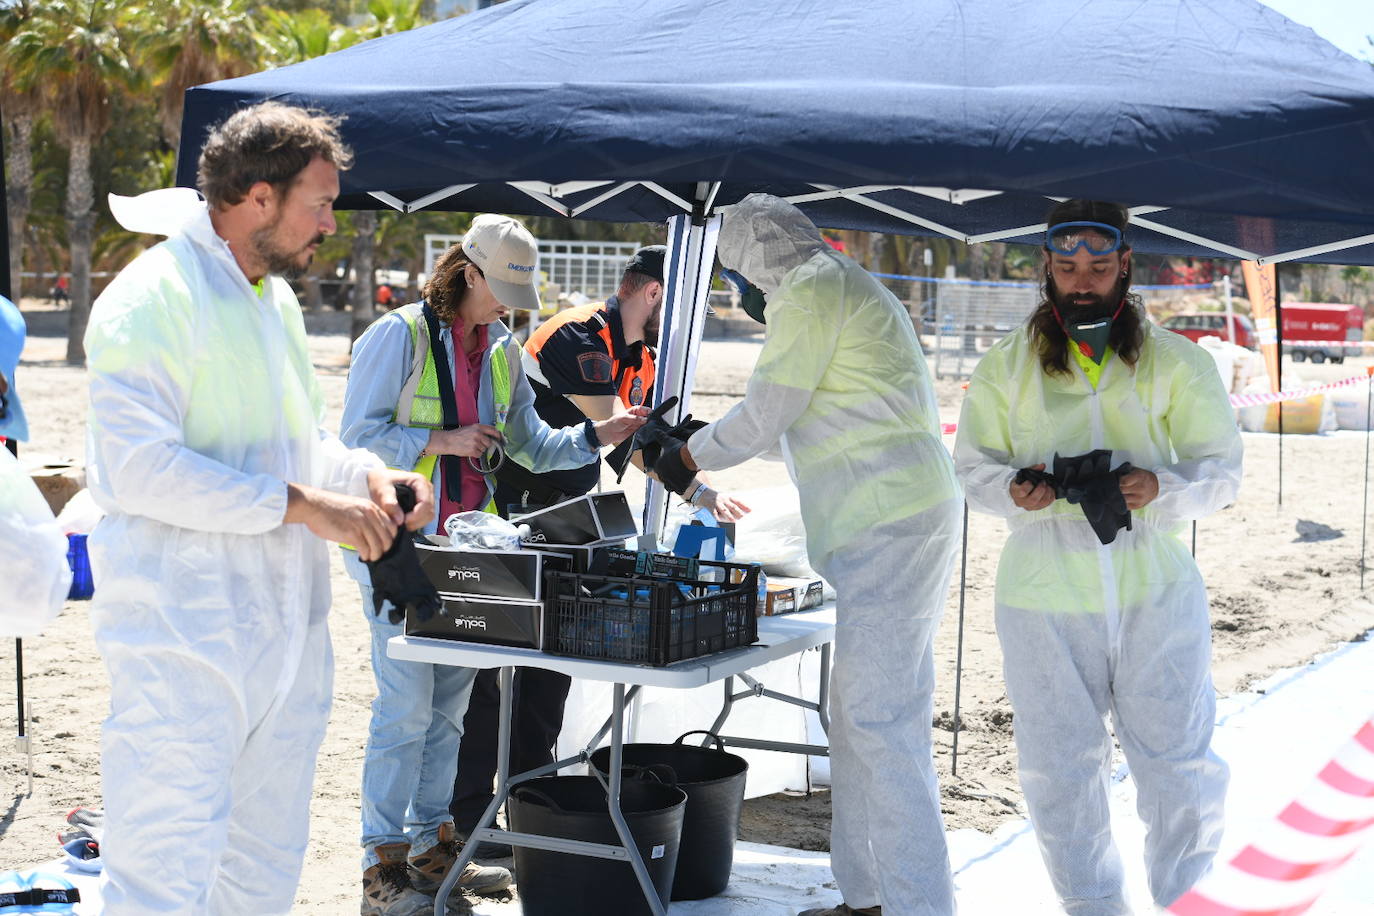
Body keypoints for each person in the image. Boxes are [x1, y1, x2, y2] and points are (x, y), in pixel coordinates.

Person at [84, 102, 433, 915]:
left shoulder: (270, 301)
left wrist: (371, 478)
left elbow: (298, 442)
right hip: (183, 641)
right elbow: (138, 469)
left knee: (262, 873)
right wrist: (306, 506)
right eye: (318, 204)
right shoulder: (151, 298)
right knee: (162, 875)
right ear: (255, 195)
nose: (328, 226)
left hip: (284, 643)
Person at [650, 193, 963, 916]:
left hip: (889, 521)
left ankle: (918, 905)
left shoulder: (812, 291)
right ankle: (868, 895)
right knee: (857, 716)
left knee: (881, 725)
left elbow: (765, 414)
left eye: (738, 276)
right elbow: (796, 405)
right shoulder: (836, 285)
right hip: (891, 517)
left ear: (761, 261)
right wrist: (696, 438)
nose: (741, 293)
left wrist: (681, 455)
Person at [340, 214, 648, 916]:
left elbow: (535, 447)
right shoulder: (400, 336)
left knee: (448, 709)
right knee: (403, 708)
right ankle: (380, 866)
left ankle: (432, 851)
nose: (509, 303)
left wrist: (601, 433)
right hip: (394, 545)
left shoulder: (504, 350)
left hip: (467, 552)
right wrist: (443, 439)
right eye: (501, 287)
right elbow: (355, 442)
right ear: (469, 273)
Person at [954, 199, 1242, 914]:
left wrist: (1160, 488)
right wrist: (1012, 491)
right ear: (1045, 269)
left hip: (1153, 588)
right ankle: (1092, 906)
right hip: (1043, 590)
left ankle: (1189, 901)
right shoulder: (1006, 366)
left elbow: (1222, 472)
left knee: (1178, 763)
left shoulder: (1178, 361)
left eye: (1099, 267)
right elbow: (970, 466)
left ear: (1126, 268)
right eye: (1068, 266)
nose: (1083, 283)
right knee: (1059, 768)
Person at [446, 246, 751, 852]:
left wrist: (699, 485)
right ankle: (470, 817)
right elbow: (623, 440)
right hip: (510, 518)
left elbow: (649, 437)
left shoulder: (641, 354)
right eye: (694, 302)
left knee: (552, 668)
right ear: (659, 294)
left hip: (567, 524)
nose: (700, 315)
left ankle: (530, 806)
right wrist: (700, 488)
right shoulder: (579, 336)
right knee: (493, 675)